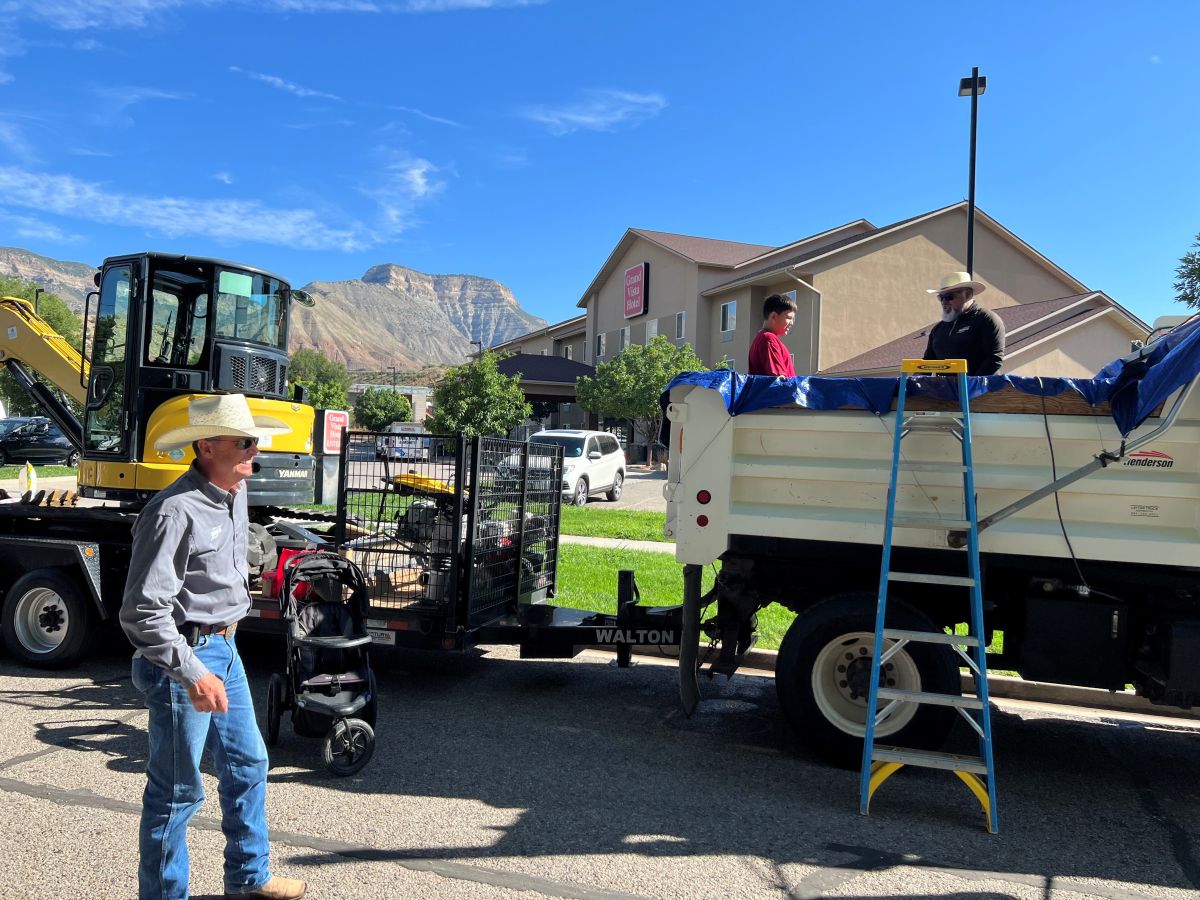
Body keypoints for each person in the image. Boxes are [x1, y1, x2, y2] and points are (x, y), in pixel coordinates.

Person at [121, 393, 308, 900]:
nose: (255, 452)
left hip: (223, 649)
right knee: (177, 793)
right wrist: (190, 671)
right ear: (206, 446)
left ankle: (249, 879)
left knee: (249, 764)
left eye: (255, 442)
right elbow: (142, 612)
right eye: (243, 442)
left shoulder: (234, 492)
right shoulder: (172, 512)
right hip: (184, 660)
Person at [923, 272, 1006, 376]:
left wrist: (970, 387)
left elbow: (994, 358)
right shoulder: (938, 329)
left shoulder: (986, 319)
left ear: (967, 295)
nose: (944, 302)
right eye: (941, 297)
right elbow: (927, 363)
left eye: (949, 297)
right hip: (947, 390)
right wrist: (910, 385)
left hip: (981, 390)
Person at [748, 293, 798, 377]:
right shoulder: (768, 339)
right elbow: (778, 380)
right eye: (789, 318)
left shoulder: (761, 338)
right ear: (773, 316)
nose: (792, 323)